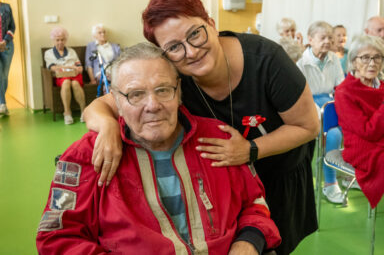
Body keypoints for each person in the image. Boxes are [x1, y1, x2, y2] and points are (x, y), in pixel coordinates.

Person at [83, 0, 319, 255]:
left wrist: (250, 150)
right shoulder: (174, 74)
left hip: (279, 171)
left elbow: (309, 126)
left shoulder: (267, 60)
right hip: (226, 183)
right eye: (174, 47)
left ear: (211, 23)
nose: (191, 52)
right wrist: (108, 126)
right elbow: (99, 106)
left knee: (274, 241)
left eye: (195, 33)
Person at [36, 43, 281, 254]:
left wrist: (248, 243)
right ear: (117, 100)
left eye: (163, 90)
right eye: (136, 94)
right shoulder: (87, 156)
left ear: (179, 93)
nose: (152, 105)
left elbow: (255, 202)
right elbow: (57, 238)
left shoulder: (220, 138)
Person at [296, 21, 345, 204]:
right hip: (309, 104)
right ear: (310, 39)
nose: (327, 41)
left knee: (354, 127)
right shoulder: (301, 61)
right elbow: (301, 94)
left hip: (330, 102)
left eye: (329, 38)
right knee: (332, 134)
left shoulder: (333, 57)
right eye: (322, 37)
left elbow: (340, 86)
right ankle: (330, 183)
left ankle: (350, 176)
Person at [334, 35, 384, 208]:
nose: (372, 63)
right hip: (361, 147)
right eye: (365, 57)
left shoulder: (381, 85)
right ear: (354, 61)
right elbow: (368, 131)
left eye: (377, 57)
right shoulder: (344, 92)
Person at [44, 27, 86, 125]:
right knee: (66, 82)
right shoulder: (48, 53)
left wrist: (79, 68)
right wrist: (69, 66)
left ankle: (84, 111)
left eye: (62, 39)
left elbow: (79, 66)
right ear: (53, 40)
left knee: (75, 83)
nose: (60, 42)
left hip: (74, 75)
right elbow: (52, 68)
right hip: (61, 76)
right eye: (57, 40)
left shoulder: (72, 51)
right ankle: (67, 113)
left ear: (65, 40)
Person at [0, 1, 16, 116]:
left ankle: (2, 105)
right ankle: (2, 104)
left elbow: (12, 26)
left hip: (7, 46)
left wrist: (5, 41)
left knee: (4, 75)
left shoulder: (6, 7)